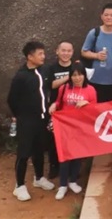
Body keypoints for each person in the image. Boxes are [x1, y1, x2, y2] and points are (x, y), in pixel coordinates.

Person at [8, 41, 54, 201]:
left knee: (39, 150)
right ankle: (19, 186)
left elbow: (49, 87)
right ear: (30, 56)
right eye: (40, 54)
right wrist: (21, 116)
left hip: (42, 120)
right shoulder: (21, 76)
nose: (43, 56)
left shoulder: (44, 70)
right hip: (26, 122)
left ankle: (39, 178)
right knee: (24, 153)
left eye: (43, 53)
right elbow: (11, 100)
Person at [48, 62, 96, 200]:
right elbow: (58, 102)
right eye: (74, 75)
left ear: (84, 75)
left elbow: (95, 109)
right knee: (64, 156)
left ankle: (73, 181)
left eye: (80, 74)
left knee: (78, 155)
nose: (77, 78)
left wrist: (87, 104)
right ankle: (62, 185)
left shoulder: (91, 90)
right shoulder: (64, 88)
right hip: (65, 127)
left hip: (81, 127)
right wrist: (53, 105)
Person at [82, 3, 112, 103]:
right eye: (106, 15)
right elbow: (84, 51)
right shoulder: (94, 33)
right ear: (101, 16)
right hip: (96, 79)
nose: (109, 18)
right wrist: (96, 55)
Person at [43, 41, 74, 180]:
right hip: (55, 108)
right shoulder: (51, 68)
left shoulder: (76, 67)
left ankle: (72, 169)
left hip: (72, 109)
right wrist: (69, 76)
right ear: (57, 51)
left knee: (71, 139)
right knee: (53, 140)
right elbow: (51, 85)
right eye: (63, 50)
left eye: (69, 51)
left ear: (72, 52)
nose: (66, 53)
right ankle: (54, 166)